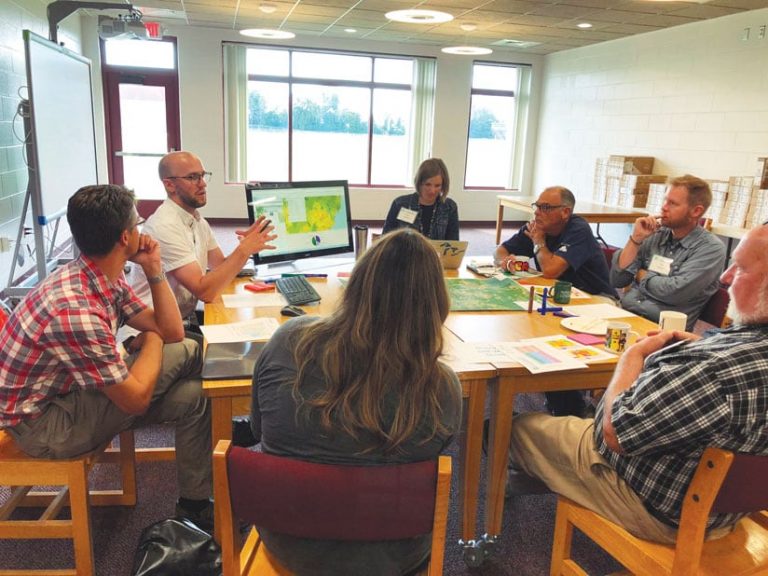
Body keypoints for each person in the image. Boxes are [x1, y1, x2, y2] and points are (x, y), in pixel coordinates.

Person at [508, 223, 768, 544]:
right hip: (730, 514)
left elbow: (615, 433)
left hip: (661, 512)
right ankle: (551, 472)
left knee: (516, 428)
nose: (725, 277)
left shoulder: (711, 369)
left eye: (740, 268)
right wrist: (699, 346)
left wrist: (631, 358)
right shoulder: (722, 358)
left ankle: (514, 498)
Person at [250, 228, 462, 575]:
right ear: (436, 303)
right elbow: (430, 453)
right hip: (393, 558)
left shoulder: (290, 340)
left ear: (358, 283)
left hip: (289, 543)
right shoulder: (442, 388)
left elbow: (260, 429)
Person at [0, 185, 213, 528]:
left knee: (194, 395)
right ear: (126, 237)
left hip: (70, 396)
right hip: (46, 427)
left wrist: (153, 267)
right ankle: (257, 417)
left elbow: (169, 328)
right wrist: (152, 341)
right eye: (139, 223)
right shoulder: (75, 308)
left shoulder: (96, 274)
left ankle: (194, 504)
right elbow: (136, 399)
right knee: (192, 349)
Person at [495, 185, 613, 416]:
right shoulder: (538, 226)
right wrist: (505, 261)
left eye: (546, 207)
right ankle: (560, 399)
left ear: (565, 212)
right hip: (560, 298)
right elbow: (500, 249)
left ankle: (571, 406)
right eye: (537, 206)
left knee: (551, 336)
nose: (538, 212)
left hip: (595, 301)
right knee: (522, 319)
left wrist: (539, 243)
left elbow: (550, 270)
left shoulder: (578, 229)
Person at [135, 151, 276, 323]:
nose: (202, 184)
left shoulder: (197, 221)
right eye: (193, 177)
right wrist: (243, 250)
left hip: (181, 320)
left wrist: (245, 247)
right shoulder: (164, 226)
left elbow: (220, 266)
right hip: (153, 329)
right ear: (169, 185)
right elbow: (205, 292)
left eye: (202, 176)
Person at [610, 175, 726, 331]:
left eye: (672, 203)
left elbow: (674, 292)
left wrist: (641, 275)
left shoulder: (710, 248)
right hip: (627, 316)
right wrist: (635, 239)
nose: (664, 207)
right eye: (665, 200)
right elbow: (617, 279)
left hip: (662, 332)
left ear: (696, 211)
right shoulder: (656, 234)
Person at [382, 158, 459, 240]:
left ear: (443, 185)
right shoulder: (400, 204)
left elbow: (453, 243)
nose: (432, 191)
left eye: (437, 185)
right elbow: (386, 238)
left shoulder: (450, 207)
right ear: (419, 183)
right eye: (427, 184)